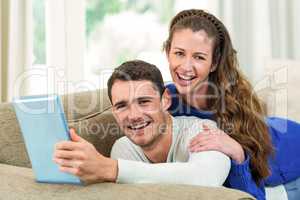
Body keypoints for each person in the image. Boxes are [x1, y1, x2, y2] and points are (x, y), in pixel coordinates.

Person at [163, 9, 300, 200]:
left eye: (199, 57)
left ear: (213, 63)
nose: (186, 66)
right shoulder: (162, 100)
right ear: (167, 52)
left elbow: (254, 196)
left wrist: (236, 151)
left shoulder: (232, 107)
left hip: (291, 163)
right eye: (179, 53)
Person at [53, 60, 231, 186]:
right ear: (114, 112)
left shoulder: (201, 131)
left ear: (165, 101)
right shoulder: (123, 149)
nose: (134, 115)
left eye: (144, 101)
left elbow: (207, 178)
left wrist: (111, 169)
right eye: (122, 106)